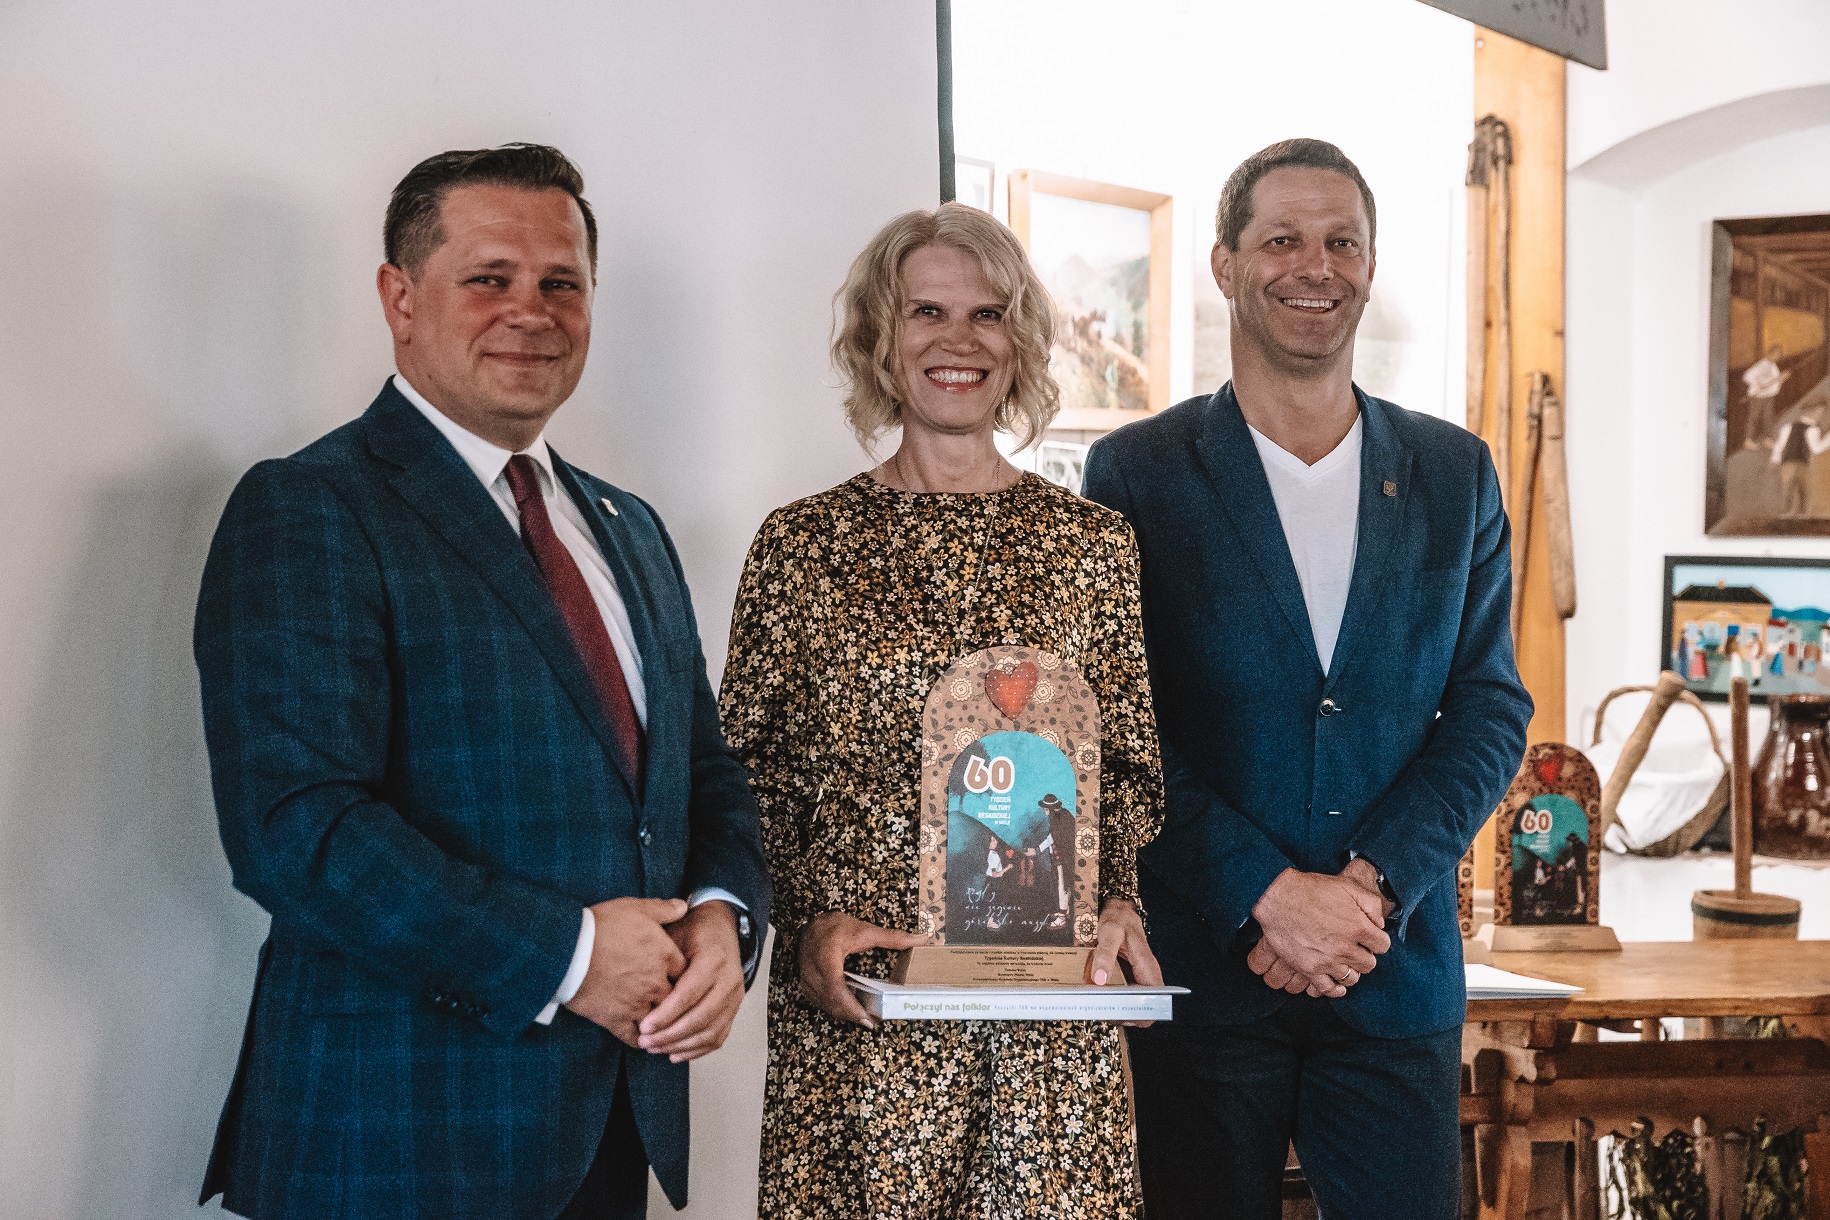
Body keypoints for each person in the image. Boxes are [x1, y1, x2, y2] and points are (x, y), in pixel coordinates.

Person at [193, 144, 770, 1220]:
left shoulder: (630, 527)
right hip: (392, 1142)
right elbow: (295, 828)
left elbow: (706, 774)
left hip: (611, 1123)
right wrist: (571, 956)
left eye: (562, 283)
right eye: (489, 278)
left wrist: (722, 919)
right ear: (400, 298)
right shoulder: (311, 507)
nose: (531, 312)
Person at [1082, 139, 1532, 1219]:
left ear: (1370, 265)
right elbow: (1113, 723)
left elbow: (1488, 707)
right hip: (1202, 976)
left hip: (1392, 971)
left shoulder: (1455, 471)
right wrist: (1268, 895)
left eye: (1342, 242)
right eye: (1281, 239)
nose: (1314, 266)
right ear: (1226, 265)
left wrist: (1370, 890)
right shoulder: (1137, 472)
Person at [719, 203, 1165, 1218]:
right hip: (868, 1012)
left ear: (1020, 343)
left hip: (1048, 1034)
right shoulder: (803, 545)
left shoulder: (1093, 546)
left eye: (987, 313)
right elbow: (745, 775)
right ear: (881, 337)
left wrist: (1120, 902)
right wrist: (806, 921)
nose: (957, 339)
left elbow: (1129, 768)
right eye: (927, 311)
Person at [1743, 343, 1789, 449]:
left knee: (1768, 418)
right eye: (1776, 354)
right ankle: (1748, 440)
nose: (1777, 357)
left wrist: (1782, 378)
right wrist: (1757, 384)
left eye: (1779, 355)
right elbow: (1747, 376)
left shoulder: (1773, 366)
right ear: (1769, 353)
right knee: (1754, 418)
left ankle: (1767, 439)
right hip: (1758, 397)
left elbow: (1774, 382)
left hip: (1769, 396)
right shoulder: (1761, 365)